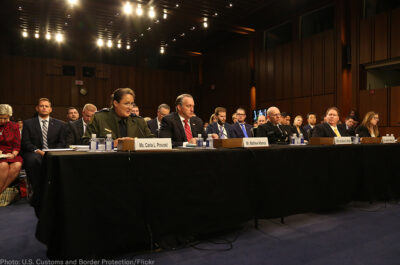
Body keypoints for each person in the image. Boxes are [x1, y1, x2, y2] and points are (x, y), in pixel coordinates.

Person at [21, 98, 66, 204]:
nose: (44, 108)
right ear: (37, 108)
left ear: (51, 109)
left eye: (46, 106)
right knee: (34, 160)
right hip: (34, 152)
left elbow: (62, 142)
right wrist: (38, 151)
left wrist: (52, 152)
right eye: (41, 106)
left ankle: (56, 193)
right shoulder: (28, 123)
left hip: (53, 153)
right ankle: (39, 192)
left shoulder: (60, 124)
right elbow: (26, 143)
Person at [82, 88, 153, 145]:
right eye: (127, 103)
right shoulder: (99, 118)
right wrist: (110, 143)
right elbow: (86, 141)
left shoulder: (139, 121)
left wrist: (136, 142)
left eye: (132, 104)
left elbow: (152, 141)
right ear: (115, 103)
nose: (130, 107)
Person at [0, 104, 23, 195]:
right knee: (3, 166)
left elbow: (17, 145)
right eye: (0, 118)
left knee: (17, 165)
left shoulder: (14, 126)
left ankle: (1, 190)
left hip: (10, 153)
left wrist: (13, 154)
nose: (2, 120)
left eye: (5, 118)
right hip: (0, 155)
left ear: (9, 117)